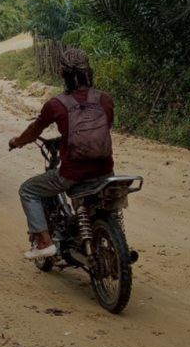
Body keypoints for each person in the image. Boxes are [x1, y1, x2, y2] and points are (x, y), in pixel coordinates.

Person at [8, 47, 115, 260]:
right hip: (105, 171)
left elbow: (34, 131)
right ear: (88, 71)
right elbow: (104, 128)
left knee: (28, 190)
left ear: (62, 73)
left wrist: (17, 142)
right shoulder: (105, 99)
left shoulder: (56, 104)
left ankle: (44, 243)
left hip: (73, 173)